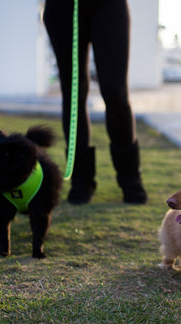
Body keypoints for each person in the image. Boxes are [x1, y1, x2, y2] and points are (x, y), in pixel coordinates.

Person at [43, 0, 147, 205]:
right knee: (73, 93)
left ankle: (130, 178)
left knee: (115, 93)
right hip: (63, 7)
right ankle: (81, 181)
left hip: (108, 5)